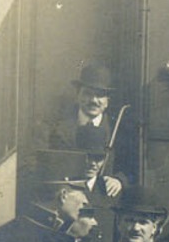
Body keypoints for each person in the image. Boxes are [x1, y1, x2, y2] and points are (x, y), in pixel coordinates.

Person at [42, 62, 134, 200]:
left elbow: (131, 167)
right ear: (78, 95)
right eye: (88, 94)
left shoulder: (119, 129)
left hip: (103, 203)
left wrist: (119, 180)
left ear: (107, 100)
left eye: (100, 95)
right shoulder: (56, 127)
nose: (93, 100)